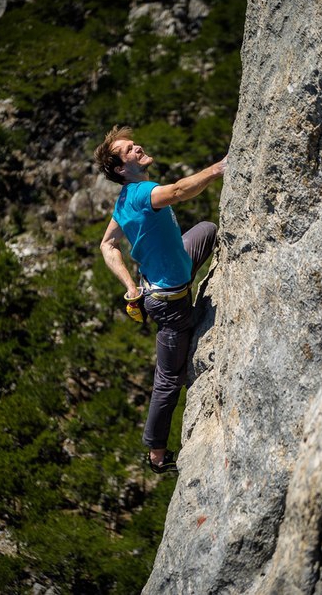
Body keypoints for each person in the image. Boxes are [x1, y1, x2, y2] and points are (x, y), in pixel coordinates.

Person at [94, 125, 227, 474]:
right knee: (168, 380)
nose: (138, 147)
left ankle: (182, 270)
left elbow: (107, 245)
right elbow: (181, 190)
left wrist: (131, 287)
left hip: (168, 272)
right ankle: (155, 454)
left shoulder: (124, 201)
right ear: (122, 168)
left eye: (134, 144)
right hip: (169, 304)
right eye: (129, 150)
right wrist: (218, 169)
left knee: (207, 230)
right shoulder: (138, 195)